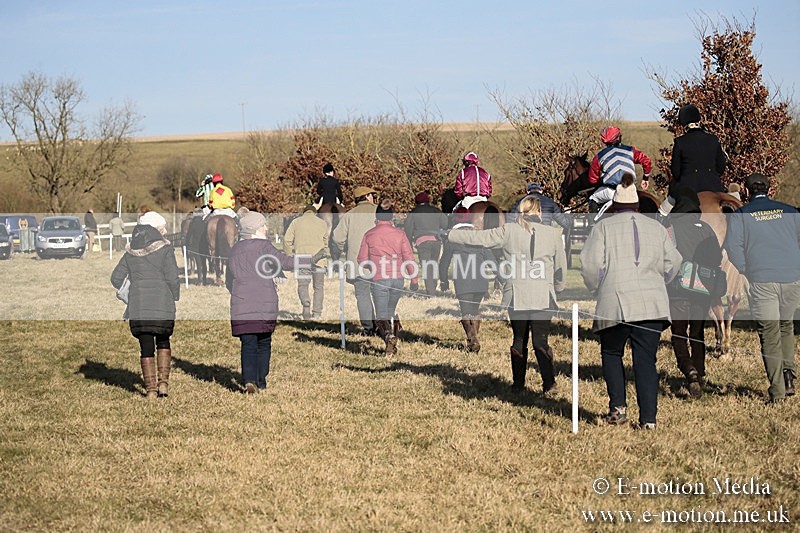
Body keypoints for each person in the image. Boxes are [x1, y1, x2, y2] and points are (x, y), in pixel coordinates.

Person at [580, 174, 682, 429]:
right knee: (646, 361)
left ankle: (618, 408)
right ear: (637, 205)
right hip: (652, 304)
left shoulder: (602, 227)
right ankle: (648, 420)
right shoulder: (657, 228)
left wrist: (595, 286)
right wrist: (662, 282)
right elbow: (675, 263)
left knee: (611, 352)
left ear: (614, 206)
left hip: (614, 302)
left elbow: (590, 266)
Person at [446, 196, 567, 393]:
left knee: (519, 339)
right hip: (543, 296)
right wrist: (558, 288)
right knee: (541, 341)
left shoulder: (509, 231)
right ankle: (549, 382)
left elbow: (479, 238)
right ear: (539, 212)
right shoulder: (553, 234)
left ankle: (518, 385)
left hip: (516, 295)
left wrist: (451, 234)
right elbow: (561, 268)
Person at [724, 173, 800, 403]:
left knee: (769, 333)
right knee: (786, 326)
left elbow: (732, 247)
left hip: (762, 279)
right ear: (770, 189)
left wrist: (747, 270)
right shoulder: (791, 211)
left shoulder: (741, 215)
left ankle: (777, 390)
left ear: (746, 192)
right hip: (792, 279)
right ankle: (789, 374)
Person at [226, 211, 310, 393]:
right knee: (264, 342)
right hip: (265, 302)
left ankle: (249, 380)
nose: (266, 228)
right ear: (256, 229)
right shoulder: (264, 246)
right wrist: (307, 261)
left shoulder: (234, 250)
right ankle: (261, 381)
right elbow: (284, 262)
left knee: (248, 344)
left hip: (241, 302)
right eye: (263, 225)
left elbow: (228, 280)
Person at [110, 211, 180, 399]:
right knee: (163, 341)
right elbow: (173, 277)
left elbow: (116, 278)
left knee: (146, 347)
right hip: (162, 304)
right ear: (155, 230)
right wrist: (175, 295)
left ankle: (150, 390)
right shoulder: (165, 249)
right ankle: (163, 384)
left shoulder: (130, 252)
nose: (165, 231)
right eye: (162, 228)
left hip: (139, 307)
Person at [665, 187, 723, 398]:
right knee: (697, 334)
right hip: (703, 290)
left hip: (678, 290)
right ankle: (700, 372)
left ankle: (689, 371)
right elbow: (716, 257)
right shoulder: (706, 228)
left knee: (678, 334)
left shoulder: (671, 228)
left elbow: (666, 256)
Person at [357, 198, 416, 356]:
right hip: (398, 279)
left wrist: (371, 267)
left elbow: (361, 260)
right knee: (390, 310)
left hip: (379, 279)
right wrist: (414, 279)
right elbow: (409, 257)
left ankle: (389, 337)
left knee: (381, 316)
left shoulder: (369, 235)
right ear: (391, 217)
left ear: (376, 217)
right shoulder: (400, 234)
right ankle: (392, 339)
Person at [438, 207, 496, 352]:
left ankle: (472, 339)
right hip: (481, 281)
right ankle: (474, 337)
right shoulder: (479, 236)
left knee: (466, 312)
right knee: (475, 310)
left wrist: (443, 280)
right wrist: (498, 278)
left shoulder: (452, 237)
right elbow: (492, 260)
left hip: (463, 281)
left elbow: (444, 262)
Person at [659, 104, 728, 215]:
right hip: (714, 186)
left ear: (683, 122)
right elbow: (721, 167)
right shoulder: (713, 139)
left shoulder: (680, 142)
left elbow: (676, 172)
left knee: (661, 213)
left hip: (688, 188)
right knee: (735, 205)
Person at [332, 185, 379, 335]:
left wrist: (342, 249)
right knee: (381, 294)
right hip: (380, 262)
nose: (374, 198)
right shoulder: (379, 212)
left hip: (357, 263)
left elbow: (337, 238)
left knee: (362, 295)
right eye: (372, 195)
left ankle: (368, 328)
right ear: (366, 197)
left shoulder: (349, 215)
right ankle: (384, 326)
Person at [588, 126, 652, 212]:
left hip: (611, 192)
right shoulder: (631, 150)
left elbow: (592, 179)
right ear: (618, 137)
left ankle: (593, 224)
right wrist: (645, 178)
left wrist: (599, 182)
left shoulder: (599, 156)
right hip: (631, 191)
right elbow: (646, 161)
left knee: (593, 198)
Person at [284, 205, 329, 320]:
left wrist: (290, 257)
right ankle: (317, 313)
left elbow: (286, 240)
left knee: (303, 285)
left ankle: (306, 304)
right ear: (314, 213)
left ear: (304, 212)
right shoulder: (322, 223)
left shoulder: (296, 222)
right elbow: (325, 244)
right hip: (319, 259)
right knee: (319, 287)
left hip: (302, 258)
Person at [404, 191, 448, 295]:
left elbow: (408, 229)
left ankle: (430, 291)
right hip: (436, 241)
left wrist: (408, 244)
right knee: (434, 264)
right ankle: (433, 285)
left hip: (422, 242)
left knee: (426, 267)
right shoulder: (436, 210)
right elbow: (445, 223)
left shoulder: (414, 213)